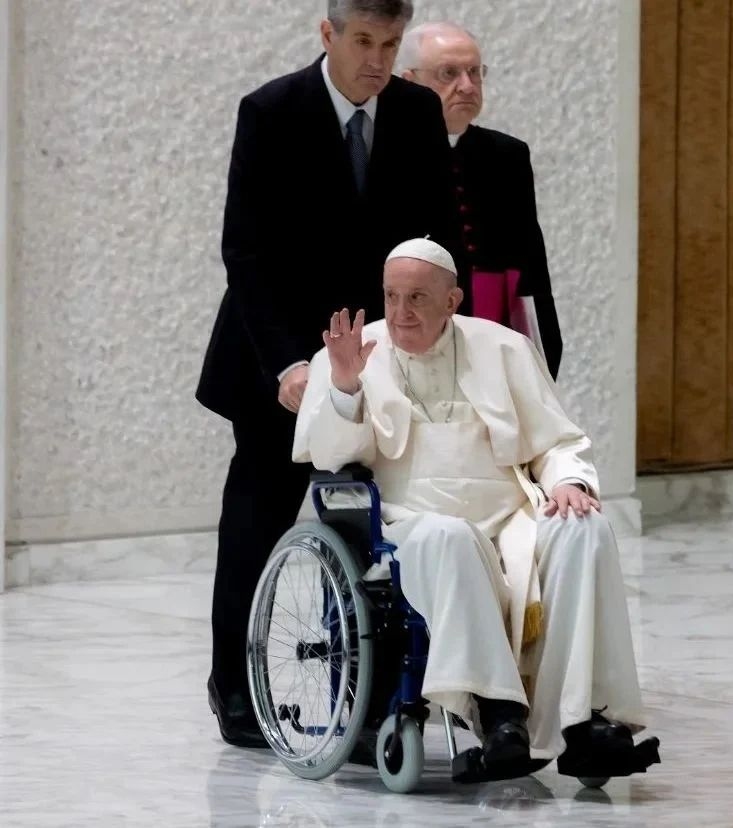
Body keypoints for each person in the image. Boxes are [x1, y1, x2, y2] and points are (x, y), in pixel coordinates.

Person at [293, 238, 660, 779]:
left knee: (585, 528)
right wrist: (346, 386)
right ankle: (501, 714)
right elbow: (328, 457)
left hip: (513, 517)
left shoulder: (504, 347)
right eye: (392, 296)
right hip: (410, 522)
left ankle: (583, 721)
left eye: (418, 296)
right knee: (452, 537)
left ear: (454, 300)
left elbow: (556, 442)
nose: (401, 312)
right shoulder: (350, 353)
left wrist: (569, 481)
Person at [195, 0, 460, 747]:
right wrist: (288, 362)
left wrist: (425, 344)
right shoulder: (271, 111)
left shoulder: (414, 113)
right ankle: (235, 684)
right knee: (255, 519)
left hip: (382, 354)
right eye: (365, 41)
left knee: (378, 523)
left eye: (392, 43)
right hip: (273, 352)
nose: (378, 59)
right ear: (329, 35)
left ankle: (372, 686)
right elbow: (244, 252)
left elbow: (436, 243)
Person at [397, 22, 563, 379]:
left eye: (475, 72)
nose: (467, 86)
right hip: (411, 335)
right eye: (449, 74)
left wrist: (545, 349)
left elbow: (531, 260)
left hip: (495, 334)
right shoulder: (389, 154)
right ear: (410, 82)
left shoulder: (508, 154)